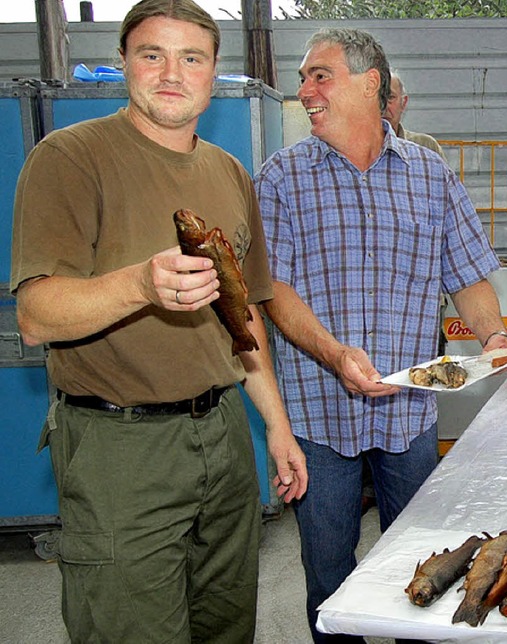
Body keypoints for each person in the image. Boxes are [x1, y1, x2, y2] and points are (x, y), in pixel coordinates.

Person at [10, 1, 307, 642]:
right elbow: (34, 316)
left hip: (225, 436)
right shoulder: (69, 158)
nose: (172, 73)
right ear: (124, 63)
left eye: (191, 57)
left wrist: (277, 428)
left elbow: (245, 313)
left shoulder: (229, 173)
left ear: (212, 74)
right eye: (153, 55)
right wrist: (139, 285)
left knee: (227, 626)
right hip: (120, 446)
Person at [254, 28, 507, 643]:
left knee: (424, 571)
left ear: (372, 85)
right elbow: (273, 292)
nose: (304, 91)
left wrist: (496, 336)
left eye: (321, 76)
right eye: (303, 77)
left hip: (408, 417)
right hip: (317, 419)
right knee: (329, 581)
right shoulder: (281, 178)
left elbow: (468, 274)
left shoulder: (430, 174)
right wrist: (333, 353)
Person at [384, 68, 446, 159]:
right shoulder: (357, 150)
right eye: (377, 98)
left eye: (390, 97)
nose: (383, 105)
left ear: (403, 103)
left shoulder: (427, 147)